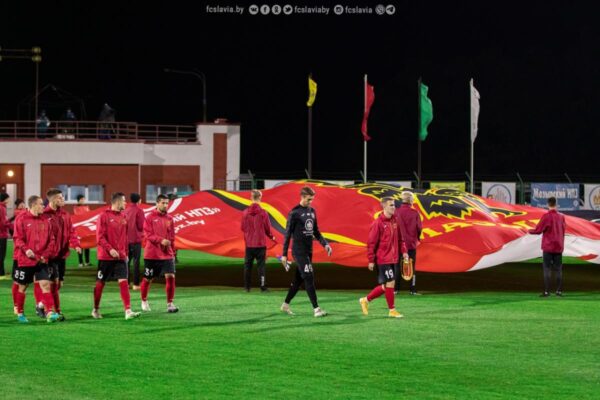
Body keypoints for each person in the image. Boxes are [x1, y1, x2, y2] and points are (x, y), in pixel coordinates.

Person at [280, 186, 332, 317]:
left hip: (308, 251)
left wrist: (325, 244)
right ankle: (316, 309)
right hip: (299, 251)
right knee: (309, 277)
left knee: (298, 279)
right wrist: (284, 254)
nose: (311, 202)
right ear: (302, 197)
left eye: (312, 199)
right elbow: (287, 235)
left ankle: (285, 305)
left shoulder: (312, 211)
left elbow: (316, 231)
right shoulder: (294, 213)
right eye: (309, 199)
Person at [92, 192, 140, 320]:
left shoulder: (124, 216)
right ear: (117, 202)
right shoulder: (103, 216)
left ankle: (128, 311)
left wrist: (126, 253)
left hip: (121, 257)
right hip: (106, 257)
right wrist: (110, 249)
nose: (126, 203)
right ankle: (95, 309)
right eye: (124, 201)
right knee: (100, 283)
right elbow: (99, 237)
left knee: (123, 282)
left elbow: (125, 238)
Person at [12, 195, 60, 323]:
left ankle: (49, 312)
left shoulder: (46, 220)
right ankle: (20, 314)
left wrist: (46, 255)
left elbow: (52, 240)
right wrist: (26, 250)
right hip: (26, 260)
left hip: (41, 260)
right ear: (33, 205)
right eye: (41, 204)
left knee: (45, 285)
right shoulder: (21, 219)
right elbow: (17, 238)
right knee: (23, 287)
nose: (43, 206)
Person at [359, 197, 408, 318]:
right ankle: (392, 310)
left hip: (393, 258)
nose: (394, 207)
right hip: (383, 259)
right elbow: (371, 243)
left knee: (386, 286)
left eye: (394, 205)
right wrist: (371, 260)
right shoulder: (378, 223)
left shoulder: (395, 221)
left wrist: (404, 251)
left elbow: (401, 239)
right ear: (384, 206)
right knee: (391, 283)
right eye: (391, 205)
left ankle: (365, 300)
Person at [38, 188, 81, 320]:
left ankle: (41, 304)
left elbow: (72, 231)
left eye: (63, 197)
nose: (63, 200)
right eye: (60, 198)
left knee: (59, 284)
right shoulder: (44, 215)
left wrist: (76, 244)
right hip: (50, 256)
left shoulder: (65, 214)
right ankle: (53, 311)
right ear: (52, 200)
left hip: (62, 255)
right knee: (52, 284)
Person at [140, 194, 178, 313]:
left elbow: (172, 236)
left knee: (171, 276)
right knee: (148, 278)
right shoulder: (149, 217)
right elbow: (148, 235)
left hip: (167, 254)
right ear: (157, 203)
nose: (165, 205)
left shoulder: (170, 218)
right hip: (152, 254)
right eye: (163, 203)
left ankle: (170, 304)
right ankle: (144, 300)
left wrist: (172, 250)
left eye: (167, 203)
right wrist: (161, 240)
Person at [529, 196, 566, 297]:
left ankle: (546, 291)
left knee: (547, 269)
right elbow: (563, 230)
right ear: (556, 204)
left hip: (548, 246)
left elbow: (538, 230)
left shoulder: (546, 216)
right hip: (558, 246)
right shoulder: (561, 217)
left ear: (547, 204)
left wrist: (528, 231)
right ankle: (558, 291)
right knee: (558, 270)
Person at [241, 189, 276, 292]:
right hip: (260, 244)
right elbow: (267, 228)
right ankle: (263, 287)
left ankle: (247, 287)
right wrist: (271, 237)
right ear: (260, 197)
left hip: (249, 244)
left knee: (247, 266)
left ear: (251, 198)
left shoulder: (245, 212)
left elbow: (243, 227)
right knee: (261, 267)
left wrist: (249, 234)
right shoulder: (263, 213)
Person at [394, 191, 423, 295]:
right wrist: (417, 239)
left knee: (397, 267)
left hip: (397, 244)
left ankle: (395, 289)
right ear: (410, 200)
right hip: (411, 244)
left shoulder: (395, 212)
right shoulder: (415, 213)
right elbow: (419, 228)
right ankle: (412, 289)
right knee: (412, 266)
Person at [124, 193, 145, 290]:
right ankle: (136, 284)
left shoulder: (126, 210)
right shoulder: (139, 210)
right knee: (136, 262)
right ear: (139, 200)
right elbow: (141, 226)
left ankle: (127, 283)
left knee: (127, 262)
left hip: (126, 240)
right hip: (136, 240)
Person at [73, 195, 91, 267]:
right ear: (78, 200)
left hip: (86, 228)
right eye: (82, 199)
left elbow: (89, 215)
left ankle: (87, 262)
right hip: (80, 229)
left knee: (87, 245)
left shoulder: (87, 207)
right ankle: (80, 262)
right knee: (80, 246)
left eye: (84, 199)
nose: (83, 200)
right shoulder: (76, 208)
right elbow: (79, 216)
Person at [0, 192, 10, 278]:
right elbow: (4, 223)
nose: (9, 200)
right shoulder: (2, 208)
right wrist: (14, 226)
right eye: (8, 198)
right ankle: (1, 274)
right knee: (1, 255)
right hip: (2, 235)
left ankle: (2, 272)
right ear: (5, 199)